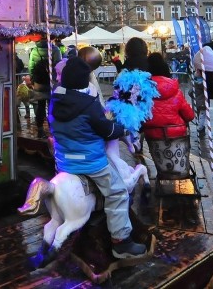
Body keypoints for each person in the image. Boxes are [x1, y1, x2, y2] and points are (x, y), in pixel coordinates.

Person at [49, 57, 147, 259]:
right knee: (118, 191)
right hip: (91, 162)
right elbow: (108, 131)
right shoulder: (89, 105)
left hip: (64, 161)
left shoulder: (55, 101)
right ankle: (121, 242)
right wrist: (122, 127)